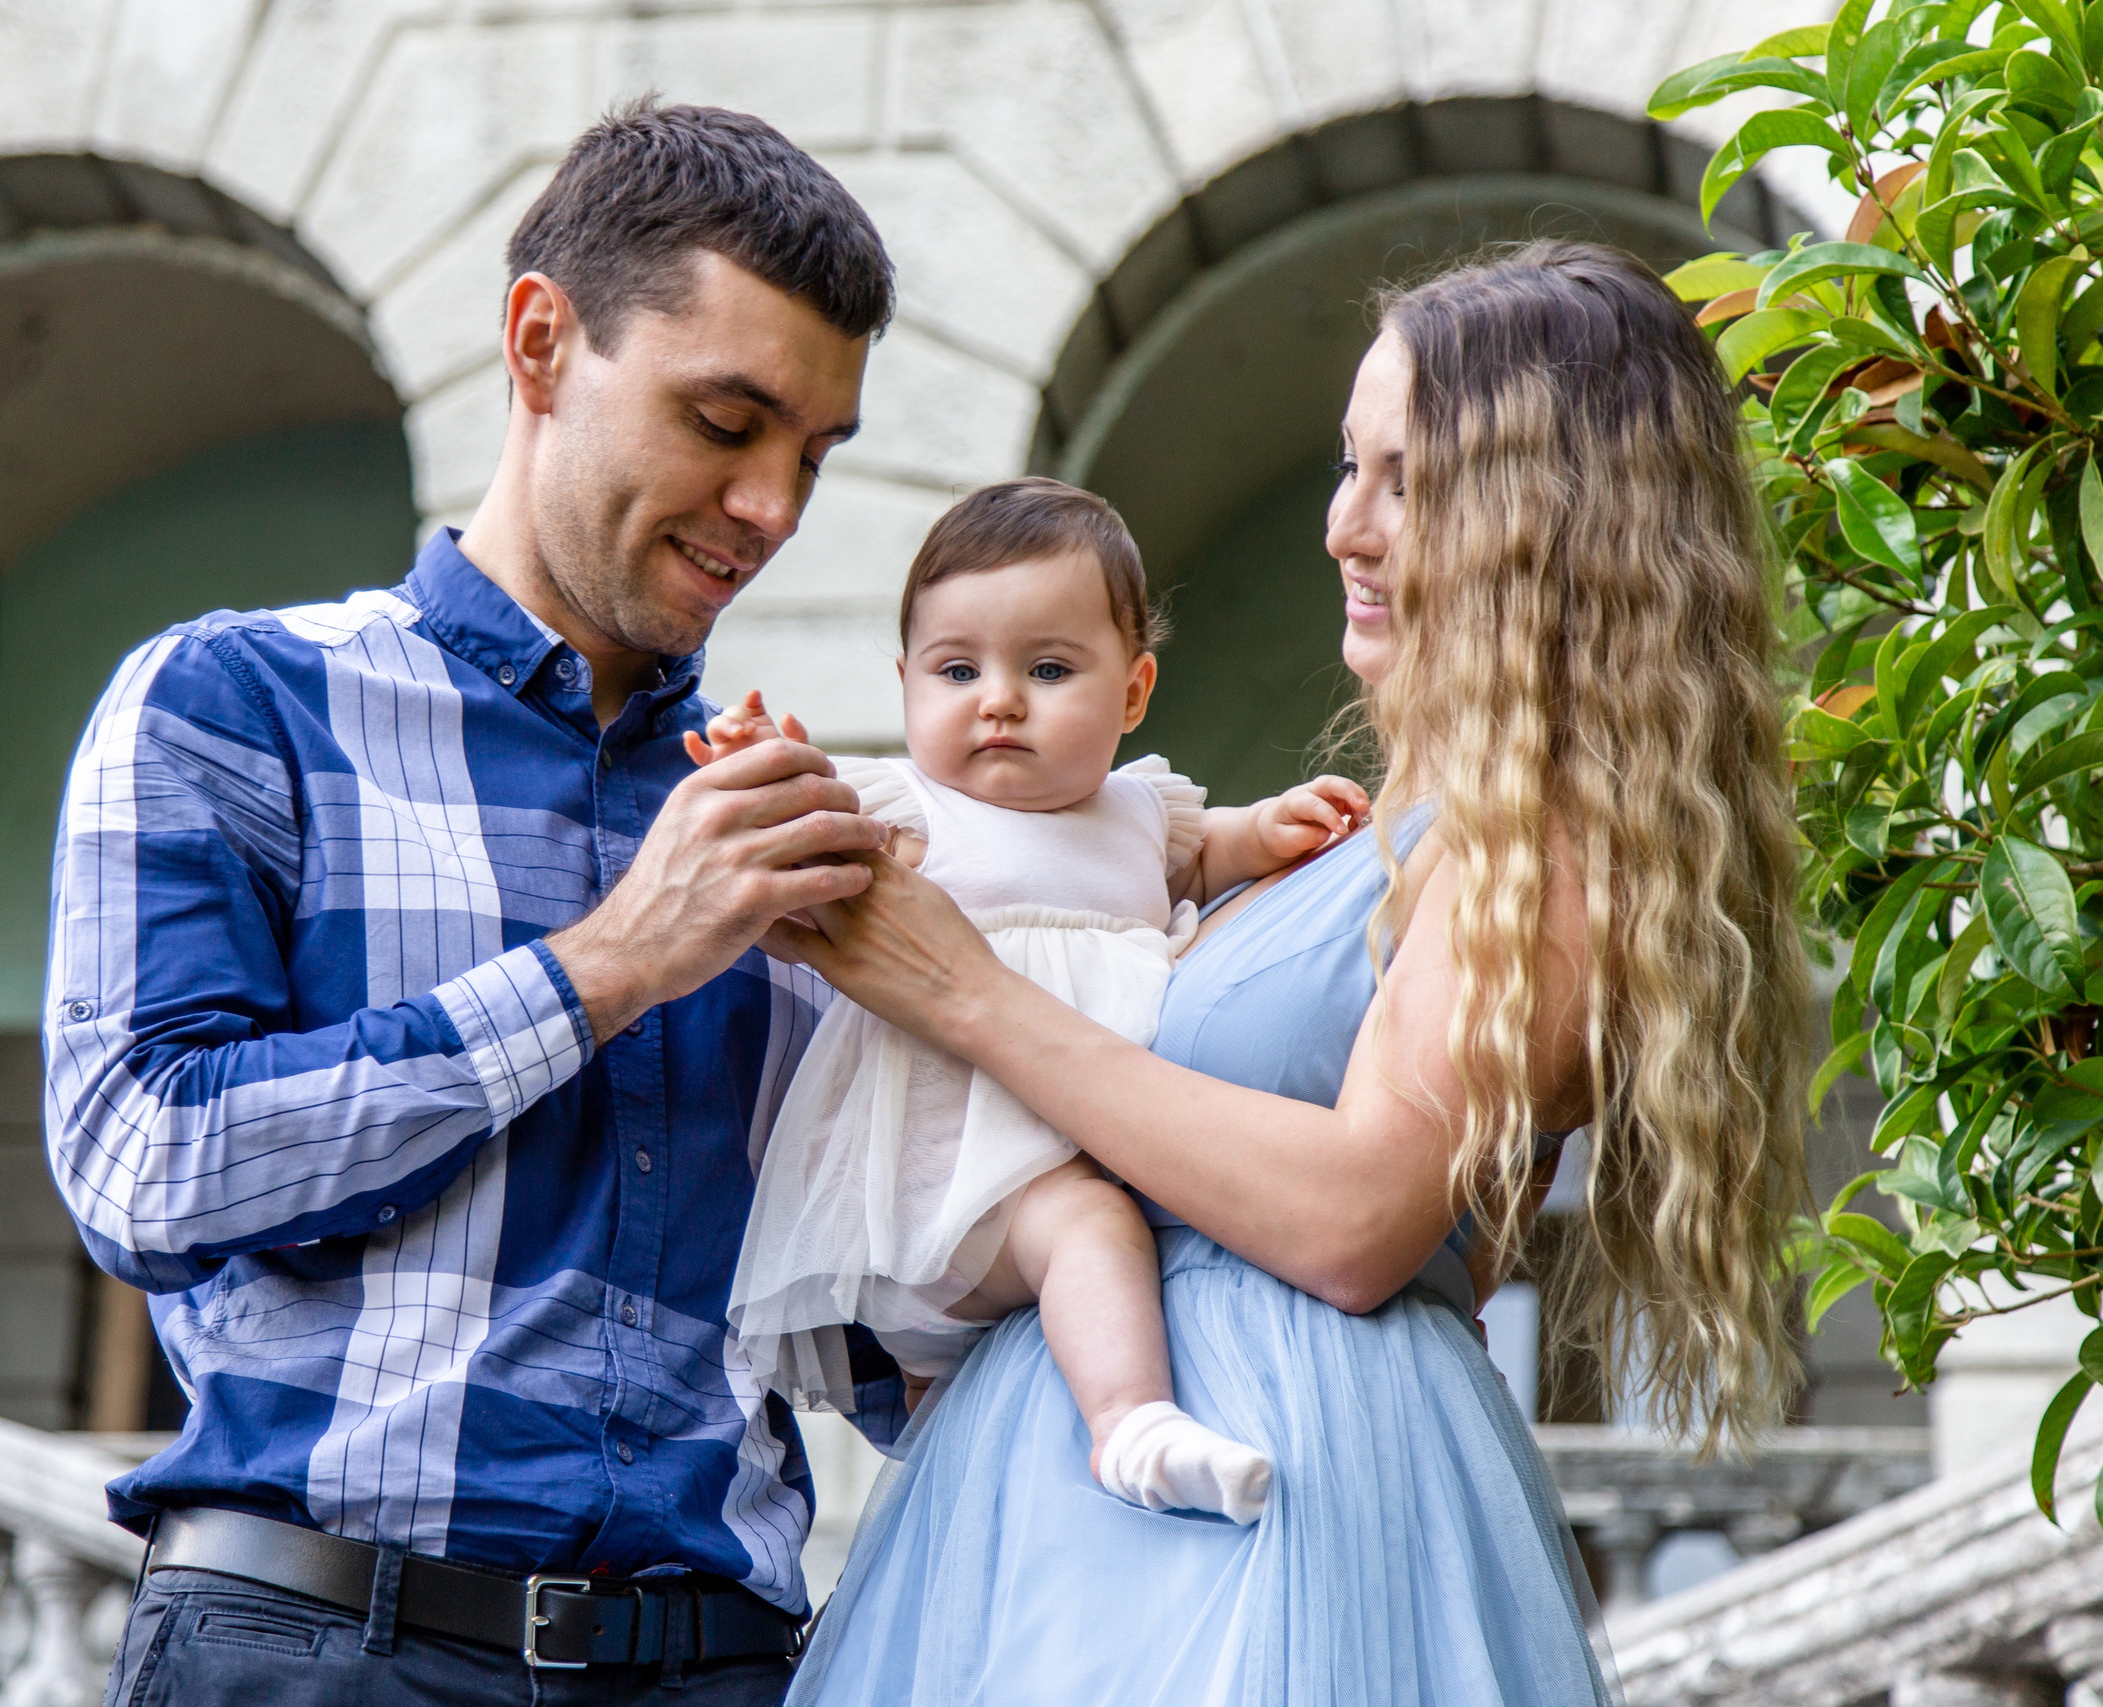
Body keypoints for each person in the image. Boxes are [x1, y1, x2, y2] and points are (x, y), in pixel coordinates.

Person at [772, 242, 1811, 1703]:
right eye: (1346, 467)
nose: (1346, 526)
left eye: (1407, 481)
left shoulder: (1561, 840)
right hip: (1079, 1502)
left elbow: (1358, 1217)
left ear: (1549, 525)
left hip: (1294, 1497)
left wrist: (968, 994)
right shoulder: (1362, 840)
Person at [46, 102, 906, 1705]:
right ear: (540, 342)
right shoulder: (236, 702)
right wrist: (609, 966)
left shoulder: (784, 831)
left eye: (813, 454)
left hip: (718, 1670)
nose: (775, 506)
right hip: (313, 1650)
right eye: (727, 421)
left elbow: (864, 1341)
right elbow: (139, 1162)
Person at [694, 479, 1367, 1525]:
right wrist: (763, 765)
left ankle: (966, 1501)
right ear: (908, 681)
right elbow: (814, 826)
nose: (997, 699)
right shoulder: (908, 810)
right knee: (1087, 1225)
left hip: (1095, 1145)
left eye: (1048, 669)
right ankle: (1132, 1424)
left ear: (1134, 692)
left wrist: (1277, 825)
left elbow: (1212, 854)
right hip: (953, 1174)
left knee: (978, 1471)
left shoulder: (1142, 812)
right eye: (956, 670)